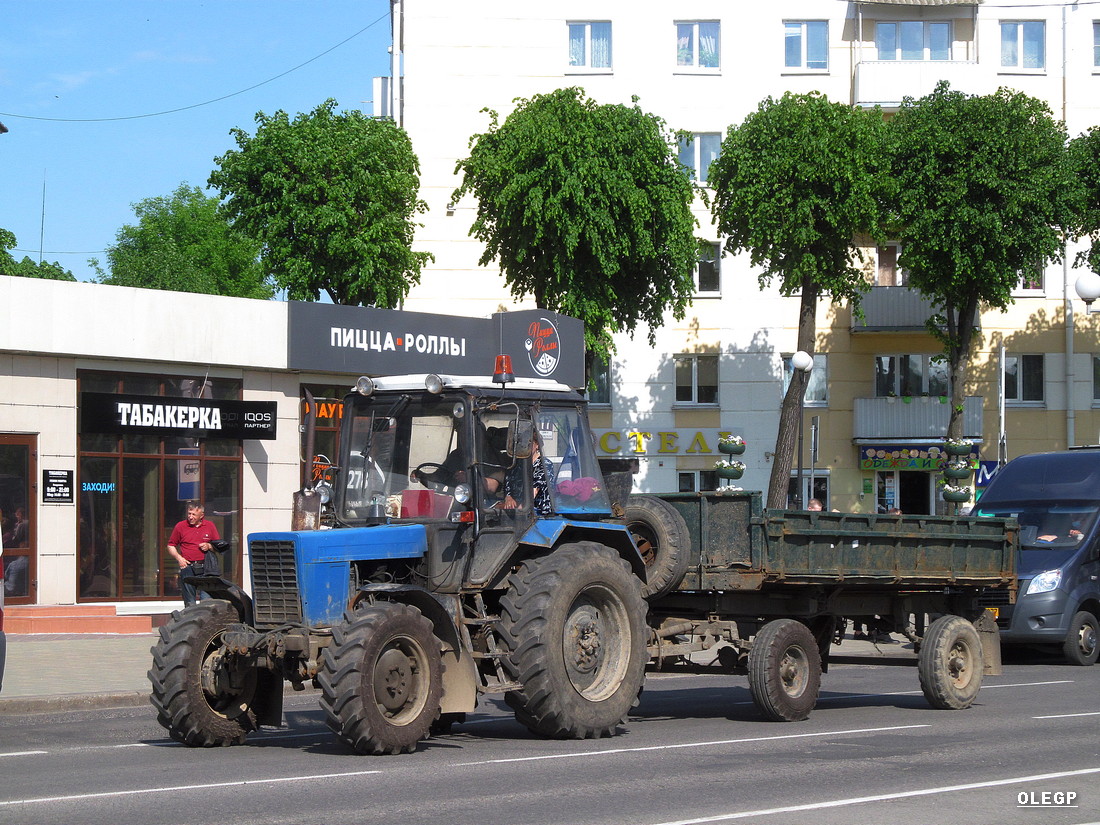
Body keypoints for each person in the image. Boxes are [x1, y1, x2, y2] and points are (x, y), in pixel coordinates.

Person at [167, 501, 220, 607]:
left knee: (207, 602)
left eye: (194, 514)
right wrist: (179, 558)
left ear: (201, 515)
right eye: (189, 514)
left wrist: (209, 546)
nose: (190, 517)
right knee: (190, 602)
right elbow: (170, 545)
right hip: (188, 567)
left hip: (206, 568)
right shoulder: (180, 526)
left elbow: (218, 546)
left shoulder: (210, 526)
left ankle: (205, 623)